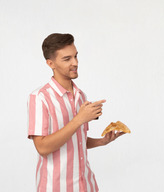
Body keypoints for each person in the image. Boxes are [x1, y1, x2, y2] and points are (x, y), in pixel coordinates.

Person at [27, 33, 125, 192]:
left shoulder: (81, 97)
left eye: (75, 56)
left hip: (86, 185)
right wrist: (79, 119)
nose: (75, 63)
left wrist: (102, 141)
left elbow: (77, 141)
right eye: (67, 59)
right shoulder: (39, 97)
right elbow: (42, 147)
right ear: (50, 63)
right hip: (56, 187)